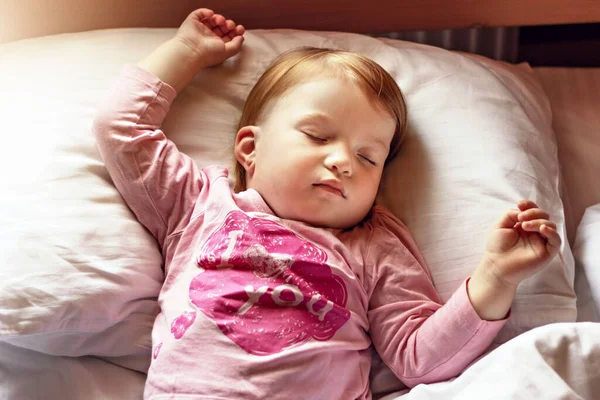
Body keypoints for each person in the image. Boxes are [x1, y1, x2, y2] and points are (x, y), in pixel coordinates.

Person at [92, 7, 562, 400]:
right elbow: (122, 129)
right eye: (318, 136)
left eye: (367, 156)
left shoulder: (373, 245)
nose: (342, 162)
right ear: (249, 149)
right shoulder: (199, 203)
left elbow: (419, 358)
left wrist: (495, 277)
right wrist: (187, 52)